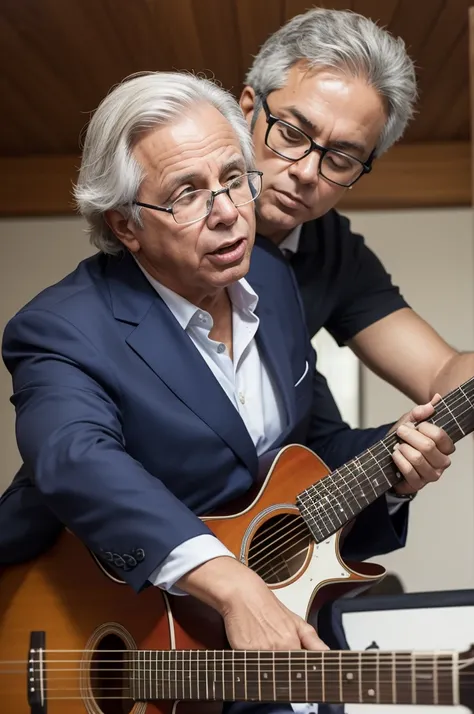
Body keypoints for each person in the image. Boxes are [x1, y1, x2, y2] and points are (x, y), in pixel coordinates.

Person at [0, 71, 454, 714]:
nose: (228, 213)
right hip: (82, 620)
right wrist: (233, 586)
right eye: (187, 194)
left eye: (234, 177)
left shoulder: (269, 277)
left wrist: (397, 467)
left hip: (228, 647)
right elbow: (76, 459)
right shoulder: (61, 326)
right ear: (125, 225)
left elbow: (307, 449)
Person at [238, 7, 474, 436]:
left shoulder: (333, 251)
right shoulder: (179, 193)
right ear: (247, 110)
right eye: (291, 135)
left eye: (342, 159)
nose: (307, 173)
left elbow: (441, 372)